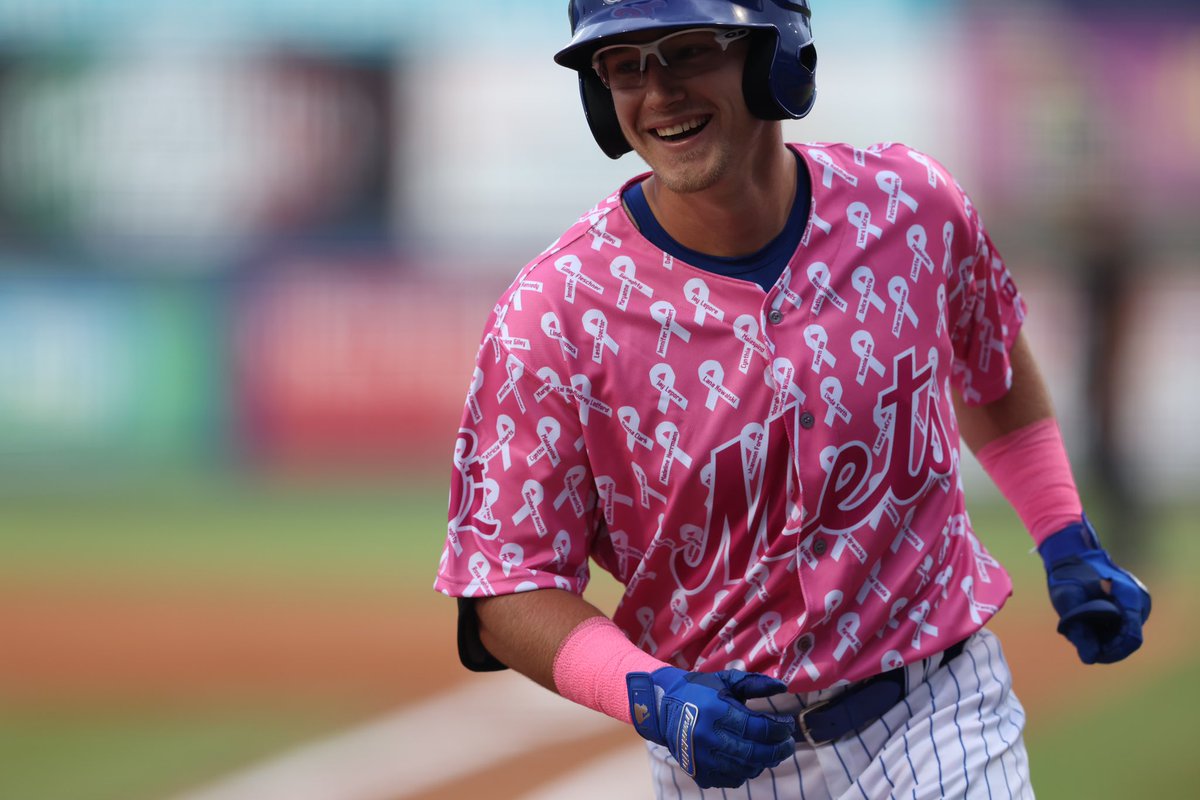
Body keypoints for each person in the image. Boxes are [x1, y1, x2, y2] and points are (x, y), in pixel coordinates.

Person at [432, 2, 1152, 797]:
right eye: (626, 65)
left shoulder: (911, 206)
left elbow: (989, 369)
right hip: (720, 755)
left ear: (775, 55)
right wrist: (648, 694)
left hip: (941, 716)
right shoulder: (555, 313)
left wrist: (1066, 536)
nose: (658, 91)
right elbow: (505, 583)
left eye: (689, 50)